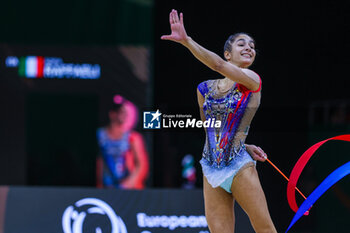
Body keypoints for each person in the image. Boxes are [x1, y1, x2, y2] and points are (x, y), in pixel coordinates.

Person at [161, 9, 277, 233]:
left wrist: (187, 41)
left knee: (265, 229)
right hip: (210, 168)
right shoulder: (204, 89)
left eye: (252, 46)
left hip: (239, 167)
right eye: (242, 44)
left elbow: (218, 66)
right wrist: (245, 143)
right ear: (227, 53)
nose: (249, 48)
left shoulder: (252, 80)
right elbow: (211, 129)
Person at [96, 95, 149, 189]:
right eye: (120, 112)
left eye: (125, 112)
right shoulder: (100, 134)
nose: (124, 115)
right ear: (112, 114)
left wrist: (129, 183)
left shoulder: (132, 137)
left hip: (128, 188)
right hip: (106, 188)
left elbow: (141, 165)